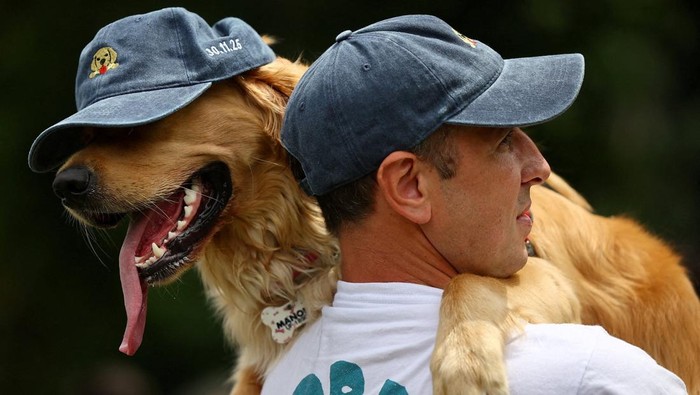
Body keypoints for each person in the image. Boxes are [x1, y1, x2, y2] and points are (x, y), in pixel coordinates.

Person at [261, 15, 687, 394]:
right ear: (410, 186)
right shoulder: (585, 374)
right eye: (502, 140)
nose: (539, 166)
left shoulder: (278, 380)